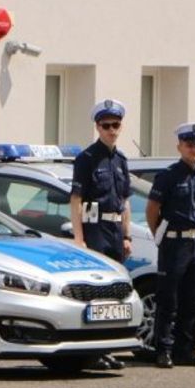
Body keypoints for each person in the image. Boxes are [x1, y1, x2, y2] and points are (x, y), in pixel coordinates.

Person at [145, 123, 195, 369]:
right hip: (173, 243)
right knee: (168, 300)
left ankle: (185, 349)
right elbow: (152, 209)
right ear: (180, 147)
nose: (194, 149)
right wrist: (160, 235)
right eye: (189, 145)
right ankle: (163, 350)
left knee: (191, 300)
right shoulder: (168, 176)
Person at [70, 98, 132, 370]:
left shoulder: (121, 160)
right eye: (106, 125)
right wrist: (79, 238)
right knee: (96, 292)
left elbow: (125, 201)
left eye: (115, 125)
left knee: (114, 294)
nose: (111, 130)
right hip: (94, 229)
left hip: (115, 230)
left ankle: (107, 349)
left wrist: (127, 236)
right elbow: (76, 200)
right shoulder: (86, 159)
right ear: (97, 127)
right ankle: (93, 352)